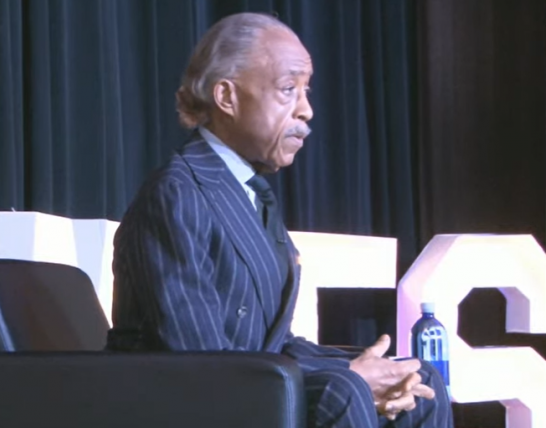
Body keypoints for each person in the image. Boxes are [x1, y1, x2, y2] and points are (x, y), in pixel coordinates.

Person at [106, 12, 453, 428]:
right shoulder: (176, 194)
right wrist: (349, 375)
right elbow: (199, 358)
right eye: (288, 90)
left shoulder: (252, 193)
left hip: (247, 383)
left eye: (306, 91)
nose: (306, 110)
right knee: (342, 391)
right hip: (179, 404)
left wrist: (371, 369)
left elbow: (272, 344)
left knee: (419, 380)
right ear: (227, 97)